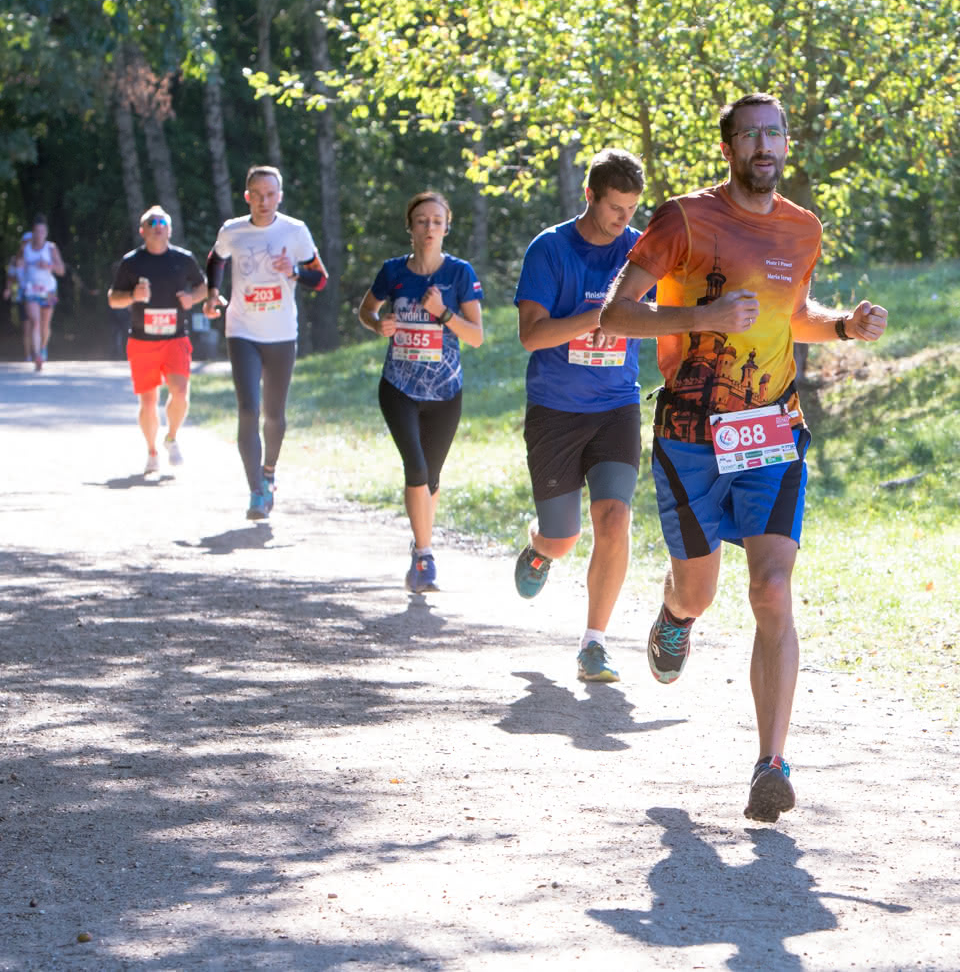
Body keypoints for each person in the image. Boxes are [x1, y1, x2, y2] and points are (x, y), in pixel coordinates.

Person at [600, 93, 888, 822]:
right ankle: (675, 610)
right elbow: (615, 314)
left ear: (787, 145)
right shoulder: (683, 220)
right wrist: (702, 316)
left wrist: (845, 326)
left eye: (776, 132)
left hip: (770, 431)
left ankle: (772, 763)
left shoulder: (802, 229)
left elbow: (794, 315)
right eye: (751, 135)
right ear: (727, 148)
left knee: (771, 589)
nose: (766, 144)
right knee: (700, 591)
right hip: (691, 437)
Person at [512, 149, 647, 683]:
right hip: (555, 411)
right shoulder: (550, 249)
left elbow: (662, 316)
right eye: (616, 208)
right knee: (563, 538)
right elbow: (531, 334)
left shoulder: (640, 250)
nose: (624, 220)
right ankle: (540, 548)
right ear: (589, 196)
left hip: (616, 404)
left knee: (614, 519)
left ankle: (595, 643)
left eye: (633, 208)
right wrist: (602, 316)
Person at [355, 191, 484, 592]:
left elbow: (477, 336)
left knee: (432, 476)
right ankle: (425, 557)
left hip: (446, 389)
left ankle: (420, 541)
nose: (429, 228)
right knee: (416, 467)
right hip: (399, 385)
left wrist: (443, 312)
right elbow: (366, 310)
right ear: (410, 228)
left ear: (447, 227)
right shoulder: (393, 271)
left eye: (437, 221)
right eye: (422, 221)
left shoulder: (460, 273)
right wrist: (378, 325)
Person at [204, 166, 327, 520]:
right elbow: (216, 258)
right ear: (247, 197)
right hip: (241, 329)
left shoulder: (295, 231)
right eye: (257, 194)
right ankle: (256, 491)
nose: (264, 201)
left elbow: (320, 280)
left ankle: (269, 470)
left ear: (280, 196)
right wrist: (213, 293)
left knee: (274, 415)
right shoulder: (233, 230)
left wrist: (294, 272)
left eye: (270, 194)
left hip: (281, 333)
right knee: (248, 410)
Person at [106, 207, 207, 475]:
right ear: (143, 231)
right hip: (142, 340)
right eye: (152, 223)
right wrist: (133, 297)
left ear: (170, 230)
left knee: (180, 392)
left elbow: (203, 286)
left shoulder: (183, 259)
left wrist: (192, 298)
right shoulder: (131, 262)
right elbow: (113, 299)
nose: (158, 226)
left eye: (163, 222)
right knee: (148, 401)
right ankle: (152, 451)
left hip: (175, 338)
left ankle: (171, 437)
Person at [10, 216, 67, 370]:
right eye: (36, 231)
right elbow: (16, 264)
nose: (39, 234)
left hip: (48, 290)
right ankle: (37, 356)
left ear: (46, 233)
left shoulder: (51, 248)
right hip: (31, 289)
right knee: (35, 322)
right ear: (33, 233)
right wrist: (19, 266)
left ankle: (42, 348)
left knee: (44, 324)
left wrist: (49, 265)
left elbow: (61, 270)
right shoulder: (25, 248)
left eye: (42, 231)